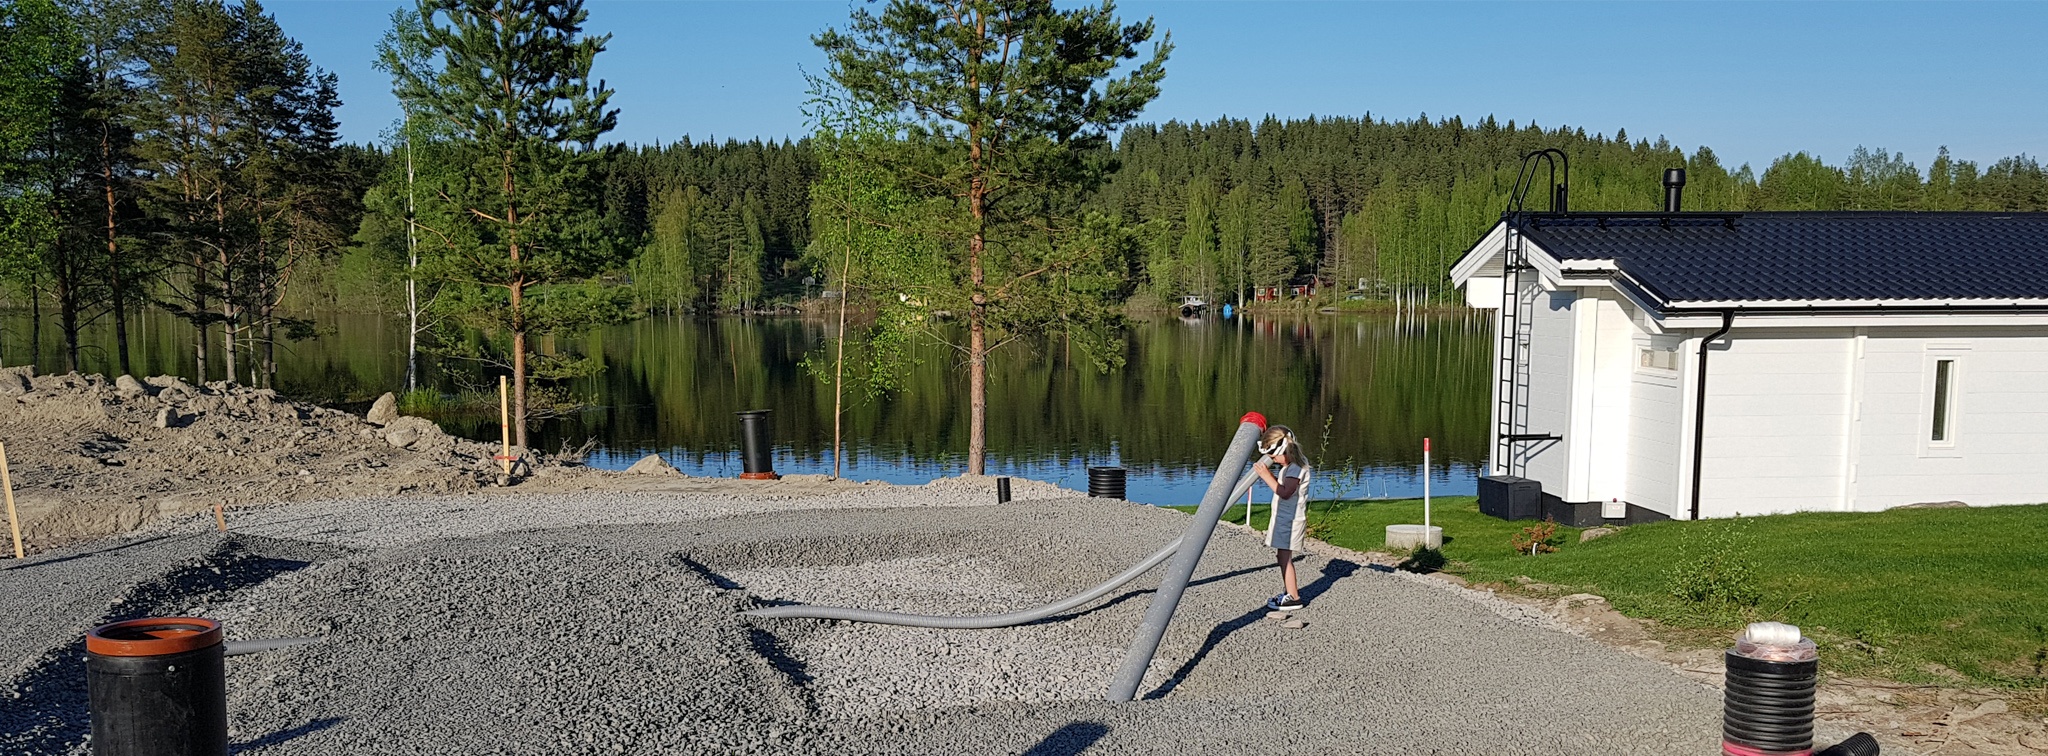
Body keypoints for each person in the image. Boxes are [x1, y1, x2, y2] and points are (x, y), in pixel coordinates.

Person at [1252, 425, 1312, 611]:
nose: (1273, 461)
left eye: (1274, 457)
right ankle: (1289, 592)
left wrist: (1266, 475)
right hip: (1285, 518)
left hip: (1291, 521)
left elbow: (1285, 492)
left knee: (1285, 558)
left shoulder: (1295, 469)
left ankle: (1294, 597)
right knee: (1282, 556)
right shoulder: (1290, 466)